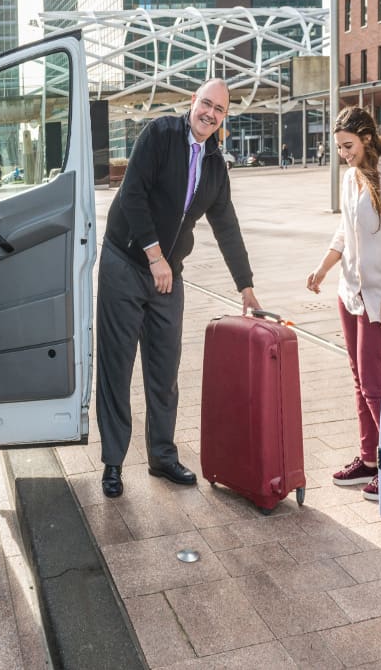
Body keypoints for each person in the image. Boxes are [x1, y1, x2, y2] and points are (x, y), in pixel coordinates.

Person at [97, 78, 261, 498]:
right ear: (192, 102)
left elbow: (226, 225)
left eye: (219, 109)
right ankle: (113, 463)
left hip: (168, 276)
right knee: (117, 366)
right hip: (126, 262)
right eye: (205, 104)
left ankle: (162, 457)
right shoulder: (160, 135)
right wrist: (154, 256)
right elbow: (131, 194)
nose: (210, 114)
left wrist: (246, 286)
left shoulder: (214, 164)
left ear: (225, 116)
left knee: (164, 367)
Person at [306, 106, 381, 501]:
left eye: (348, 146)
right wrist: (322, 270)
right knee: (358, 380)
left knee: (375, 386)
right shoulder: (351, 178)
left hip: (377, 299)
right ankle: (369, 459)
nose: (344, 154)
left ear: (367, 138)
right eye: (339, 147)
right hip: (348, 291)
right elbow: (343, 232)